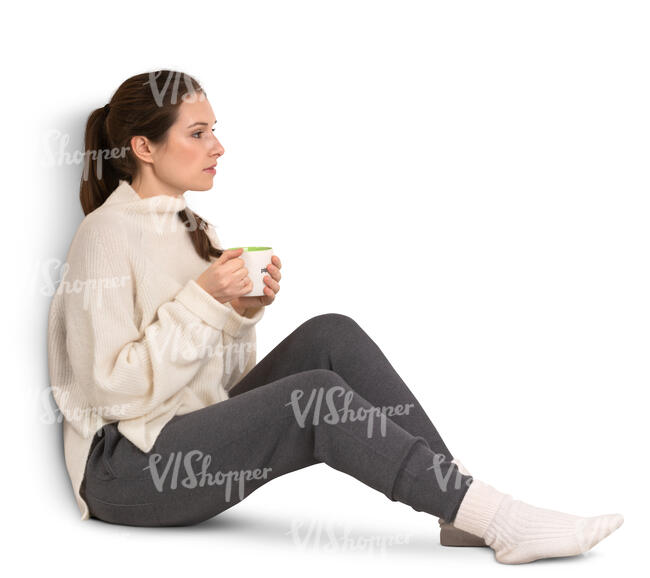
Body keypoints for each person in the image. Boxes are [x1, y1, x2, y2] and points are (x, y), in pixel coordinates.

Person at [47, 69, 623, 565]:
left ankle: (463, 511)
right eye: (197, 134)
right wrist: (202, 301)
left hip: (182, 441)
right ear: (144, 148)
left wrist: (239, 314)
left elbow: (218, 390)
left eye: (215, 130)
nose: (218, 146)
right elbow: (112, 393)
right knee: (315, 396)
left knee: (331, 333)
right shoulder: (104, 234)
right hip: (126, 471)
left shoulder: (196, 232)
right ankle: (499, 518)